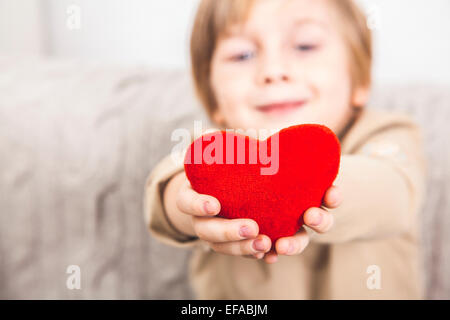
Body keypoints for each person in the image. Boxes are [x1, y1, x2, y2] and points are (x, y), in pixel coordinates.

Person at [144, 0, 426, 299]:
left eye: (304, 46)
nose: (273, 71)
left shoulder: (388, 133)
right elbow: (166, 190)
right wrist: (191, 209)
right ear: (213, 99)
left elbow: (395, 193)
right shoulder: (211, 149)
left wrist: (306, 187)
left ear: (360, 80)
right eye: (242, 55)